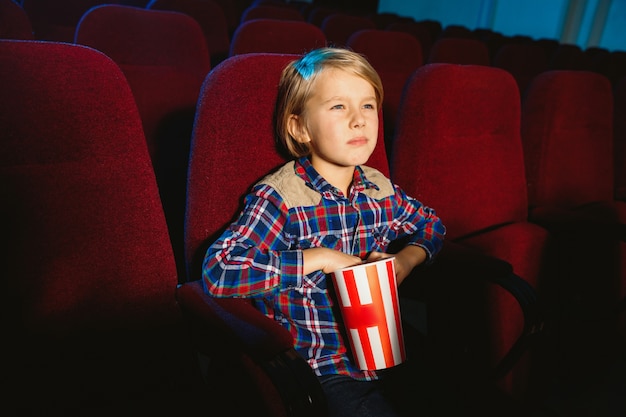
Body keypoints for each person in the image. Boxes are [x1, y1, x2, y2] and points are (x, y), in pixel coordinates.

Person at [202, 47, 447, 417]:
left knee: (458, 391)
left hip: (385, 350)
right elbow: (218, 272)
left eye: (368, 106)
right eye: (338, 107)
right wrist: (319, 258)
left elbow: (431, 224)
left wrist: (406, 260)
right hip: (321, 366)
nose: (359, 120)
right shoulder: (282, 197)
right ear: (300, 128)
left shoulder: (378, 188)